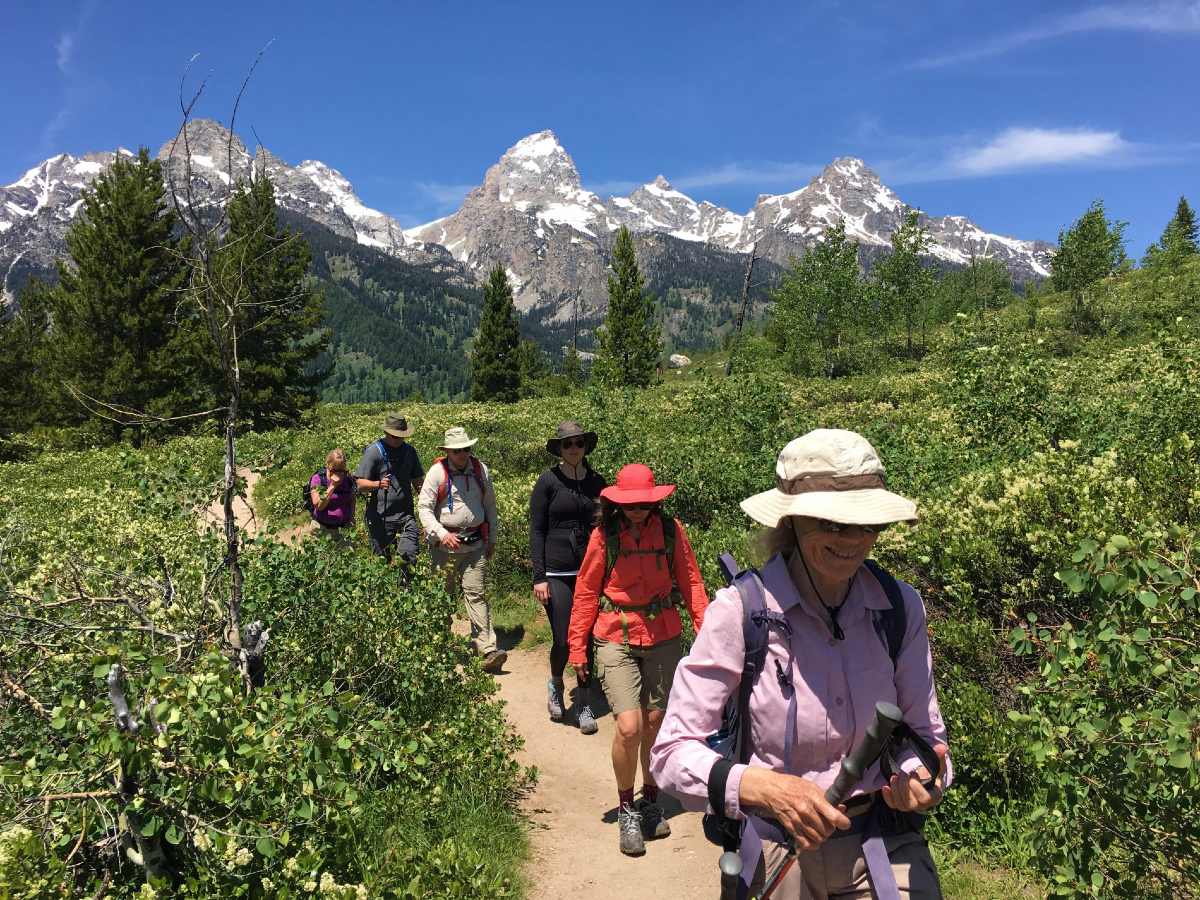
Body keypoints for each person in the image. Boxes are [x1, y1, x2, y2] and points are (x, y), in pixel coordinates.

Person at [649, 429, 952, 899]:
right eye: (831, 523)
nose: (852, 540)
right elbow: (670, 755)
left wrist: (921, 778)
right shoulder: (741, 611)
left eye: (867, 525)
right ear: (792, 523)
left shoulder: (900, 608)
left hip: (879, 837)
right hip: (778, 846)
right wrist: (765, 789)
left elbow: (926, 738)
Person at [568, 463, 709, 857]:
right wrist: (577, 647)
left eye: (644, 504)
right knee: (629, 727)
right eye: (631, 505)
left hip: (663, 634)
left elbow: (692, 581)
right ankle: (627, 807)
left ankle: (651, 801)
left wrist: (708, 631)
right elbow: (585, 591)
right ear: (617, 504)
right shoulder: (604, 537)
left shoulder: (670, 531)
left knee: (654, 722)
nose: (638, 510)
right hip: (616, 635)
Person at [529, 421, 607, 734]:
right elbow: (537, 529)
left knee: (585, 636)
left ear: (585, 446)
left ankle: (584, 702)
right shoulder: (548, 481)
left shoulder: (597, 482)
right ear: (559, 449)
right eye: (568, 444)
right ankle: (556, 684)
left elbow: (604, 527)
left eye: (578, 443)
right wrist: (539, 576)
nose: (574, 448)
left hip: (589, 571)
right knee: (563, 637)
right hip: (556, 572)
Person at [418, 426, 504, 673]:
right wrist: (442, 534)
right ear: (447, 451)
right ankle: (439, 646)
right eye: (457, 451)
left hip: (475, 543)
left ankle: (487, 648)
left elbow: (490, 505)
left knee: (476, 593)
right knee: (441, 598)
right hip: (443, 547)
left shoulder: (480, 470)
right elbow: (424, 508)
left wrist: (492, 538)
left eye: (466, 449)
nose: (463, 454)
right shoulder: (436, 473)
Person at [354, 413, 425, 566]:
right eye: (394, 436)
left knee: (408, 557)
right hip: (380, 518)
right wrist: (377, 484)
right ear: (386, 433)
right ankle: (391, 589)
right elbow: (359, 484)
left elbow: (418, 481)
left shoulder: (409, 452)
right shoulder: (374, 451)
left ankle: (405, 588)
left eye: (401, 436)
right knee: (382, 564)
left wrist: (429, 507)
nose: (398, 439)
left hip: (406, 517)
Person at [309, 448, 356, 544]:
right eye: (335, 470)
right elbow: (319, 506)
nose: (339, 474)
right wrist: (332, 486)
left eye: (342, 471)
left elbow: (352, 499)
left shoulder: (348, 479)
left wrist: (351, 517)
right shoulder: (318, 479)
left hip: (343, 529)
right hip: (321, 529)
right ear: (328, 465)